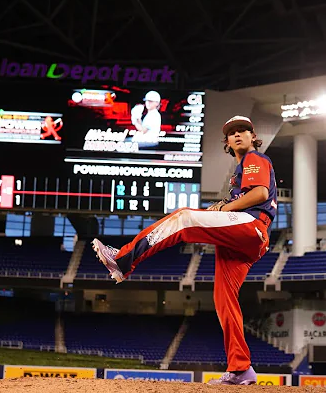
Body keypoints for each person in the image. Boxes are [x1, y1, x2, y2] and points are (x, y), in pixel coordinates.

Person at [92, 115, 277, 385]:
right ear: (226, 141)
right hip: (246, 240)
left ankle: (123, 259)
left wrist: (223, 208)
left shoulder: (254, 158)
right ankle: (240, 369)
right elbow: (243, 198)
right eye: (232, 132)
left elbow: (259, 193)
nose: (238, 135)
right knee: (224, 299)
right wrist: (222, 207)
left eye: (243, 131)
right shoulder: (238, 172)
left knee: (184, 217)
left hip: (251, 228)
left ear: (253, 136)